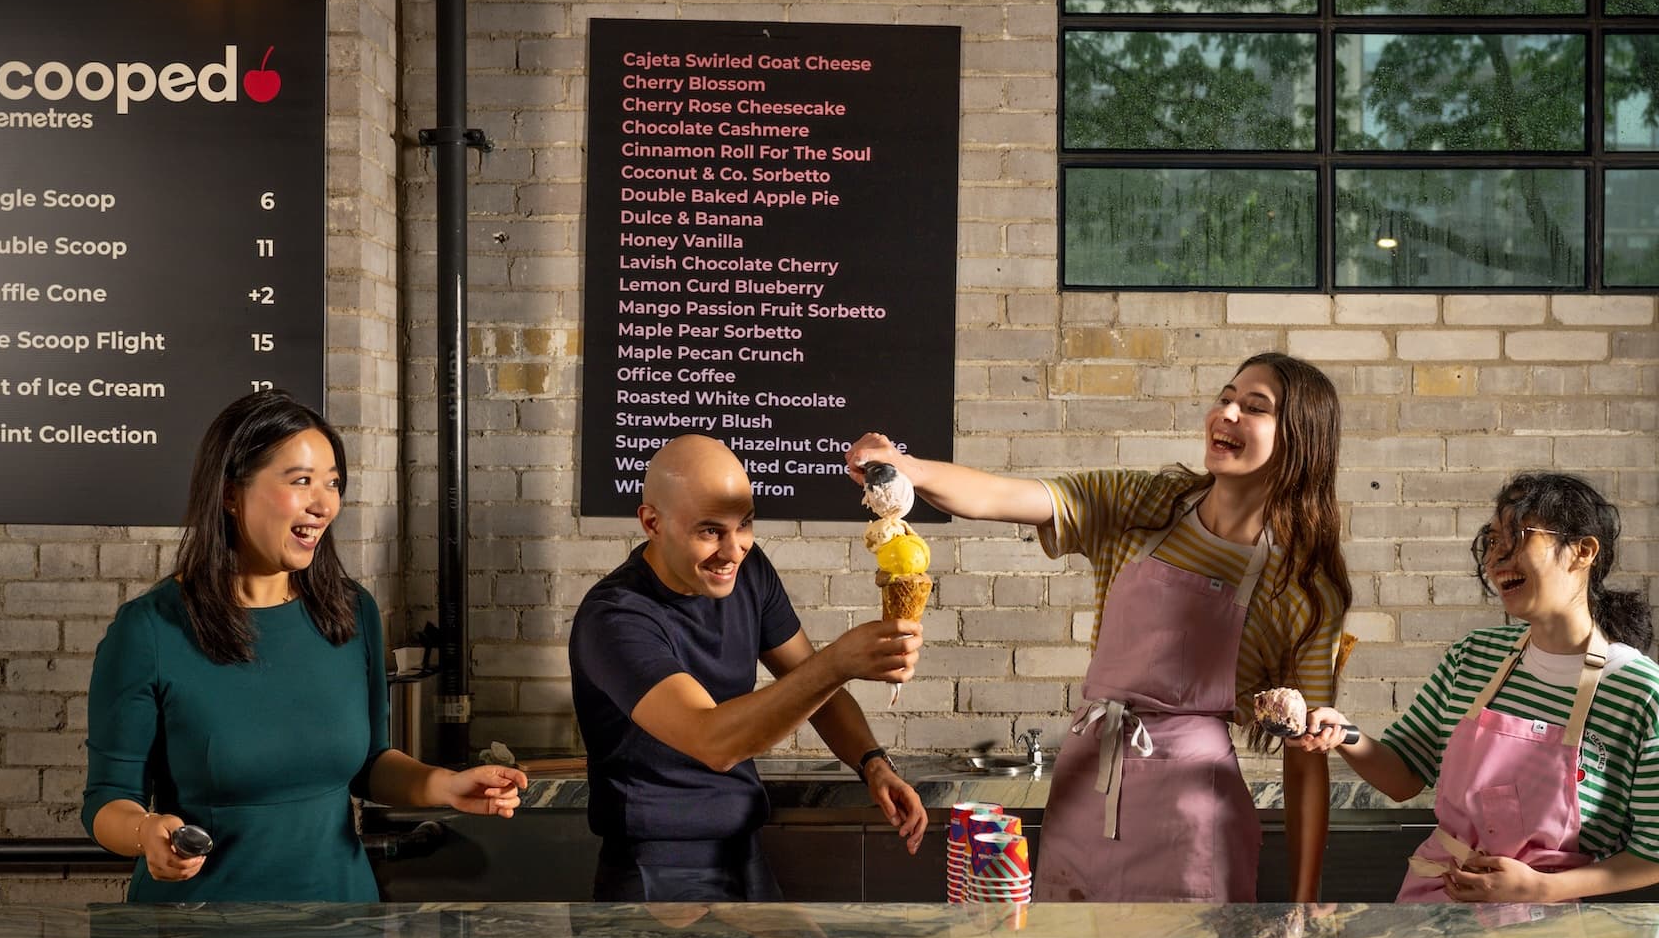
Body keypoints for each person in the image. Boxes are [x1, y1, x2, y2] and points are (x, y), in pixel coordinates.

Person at [848, 351, 1351, 903]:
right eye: (1225, 397)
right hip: (1087, 783)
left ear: (1299, 440)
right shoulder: (1143, 503)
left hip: (1192, 816)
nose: (1226, 413)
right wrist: (906, 468)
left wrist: (1307, 905)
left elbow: (1308, 759)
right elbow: (1001, 495)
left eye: (1254, 408)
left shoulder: (1301, 583)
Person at [82, 391, 526, 902]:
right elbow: (107, 802)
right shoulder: (150, 630)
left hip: (340, 921)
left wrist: (445, 786)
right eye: (301, 482)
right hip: (199, 932)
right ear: (230, 493)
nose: (323, 503)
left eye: (333, 483)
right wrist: (146, 834)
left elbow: (369, 764)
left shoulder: (350, 612)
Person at [1294, 472, 1659, 902]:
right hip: (1434, 911)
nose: (1496, 557)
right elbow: (1405, 775)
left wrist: (1541, 888)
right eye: (1491, 541)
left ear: (1583, 551)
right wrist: (1344, 733)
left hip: (1554, 932)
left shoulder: (1647, 695)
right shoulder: (1474, 657)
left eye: (1517, 536)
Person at [570, 435, 929, 901]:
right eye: (709, 531)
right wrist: (839, 661)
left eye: (745, 524)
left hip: (742, 849)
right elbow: (713, 740)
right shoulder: (616, 617)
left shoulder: (747, 571)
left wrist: (872, 763)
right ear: (652, 523)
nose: (734, 548)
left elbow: (811, 685)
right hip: (658, 864)